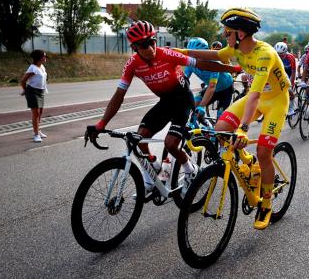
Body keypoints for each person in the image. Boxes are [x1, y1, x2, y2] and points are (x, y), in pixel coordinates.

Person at [175, 7, 291, 230]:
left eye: (227, 31)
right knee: (221, 128)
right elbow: (214, 55)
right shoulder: (236, 49)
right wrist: (181, 52)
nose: (224, 35)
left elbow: (254, 95)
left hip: (275, 100)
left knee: (264, 152)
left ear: (241, 33)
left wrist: (244, 128)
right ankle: (248, 163)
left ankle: (266, 204)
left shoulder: (264, 54)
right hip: (257, 97)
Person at [94, 21, 240, 197]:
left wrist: (232, 68)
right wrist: (102, 123)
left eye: (152, 41)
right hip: (166, 102)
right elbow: (119, 95)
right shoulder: (132, 64)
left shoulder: (166, 54)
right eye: (143, 45)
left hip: (183, 102)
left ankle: (190, 168)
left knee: (170, 144)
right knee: (140, 139)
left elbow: (202, 64)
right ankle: (152, 172)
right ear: (134, 47)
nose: (150, 48)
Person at [184, 37, 234, 121]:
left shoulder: (213, 63)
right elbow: (183, 81)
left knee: (220, 118)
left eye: (196, 55)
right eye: (191, 54)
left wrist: (202, 105)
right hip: (214, 89)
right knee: (194, 110)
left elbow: (211, 86)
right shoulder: (190, 63)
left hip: (226, 89)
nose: (193, 58)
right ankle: (203, 123)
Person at [20, 49, 48, 143]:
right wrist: (25, 90)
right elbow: (23, 81)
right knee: (35, 114)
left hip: (41, 91)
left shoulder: (42, 67)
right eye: (44, 56)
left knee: (40, 113)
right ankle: (36, 135)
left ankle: (38, 131)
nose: (45, 57)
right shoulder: (33, 68)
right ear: (39, 58)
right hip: (32, 92)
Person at [274, 42, 297, 115]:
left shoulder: (290, 57)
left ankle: (291, 108)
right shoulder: (274, 57)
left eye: (282, 54)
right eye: (278, 54)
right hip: (281, 73)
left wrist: (290, 84)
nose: (280, 56)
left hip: (290, 73)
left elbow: (293, 72)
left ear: (285, 52)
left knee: (289, 90)